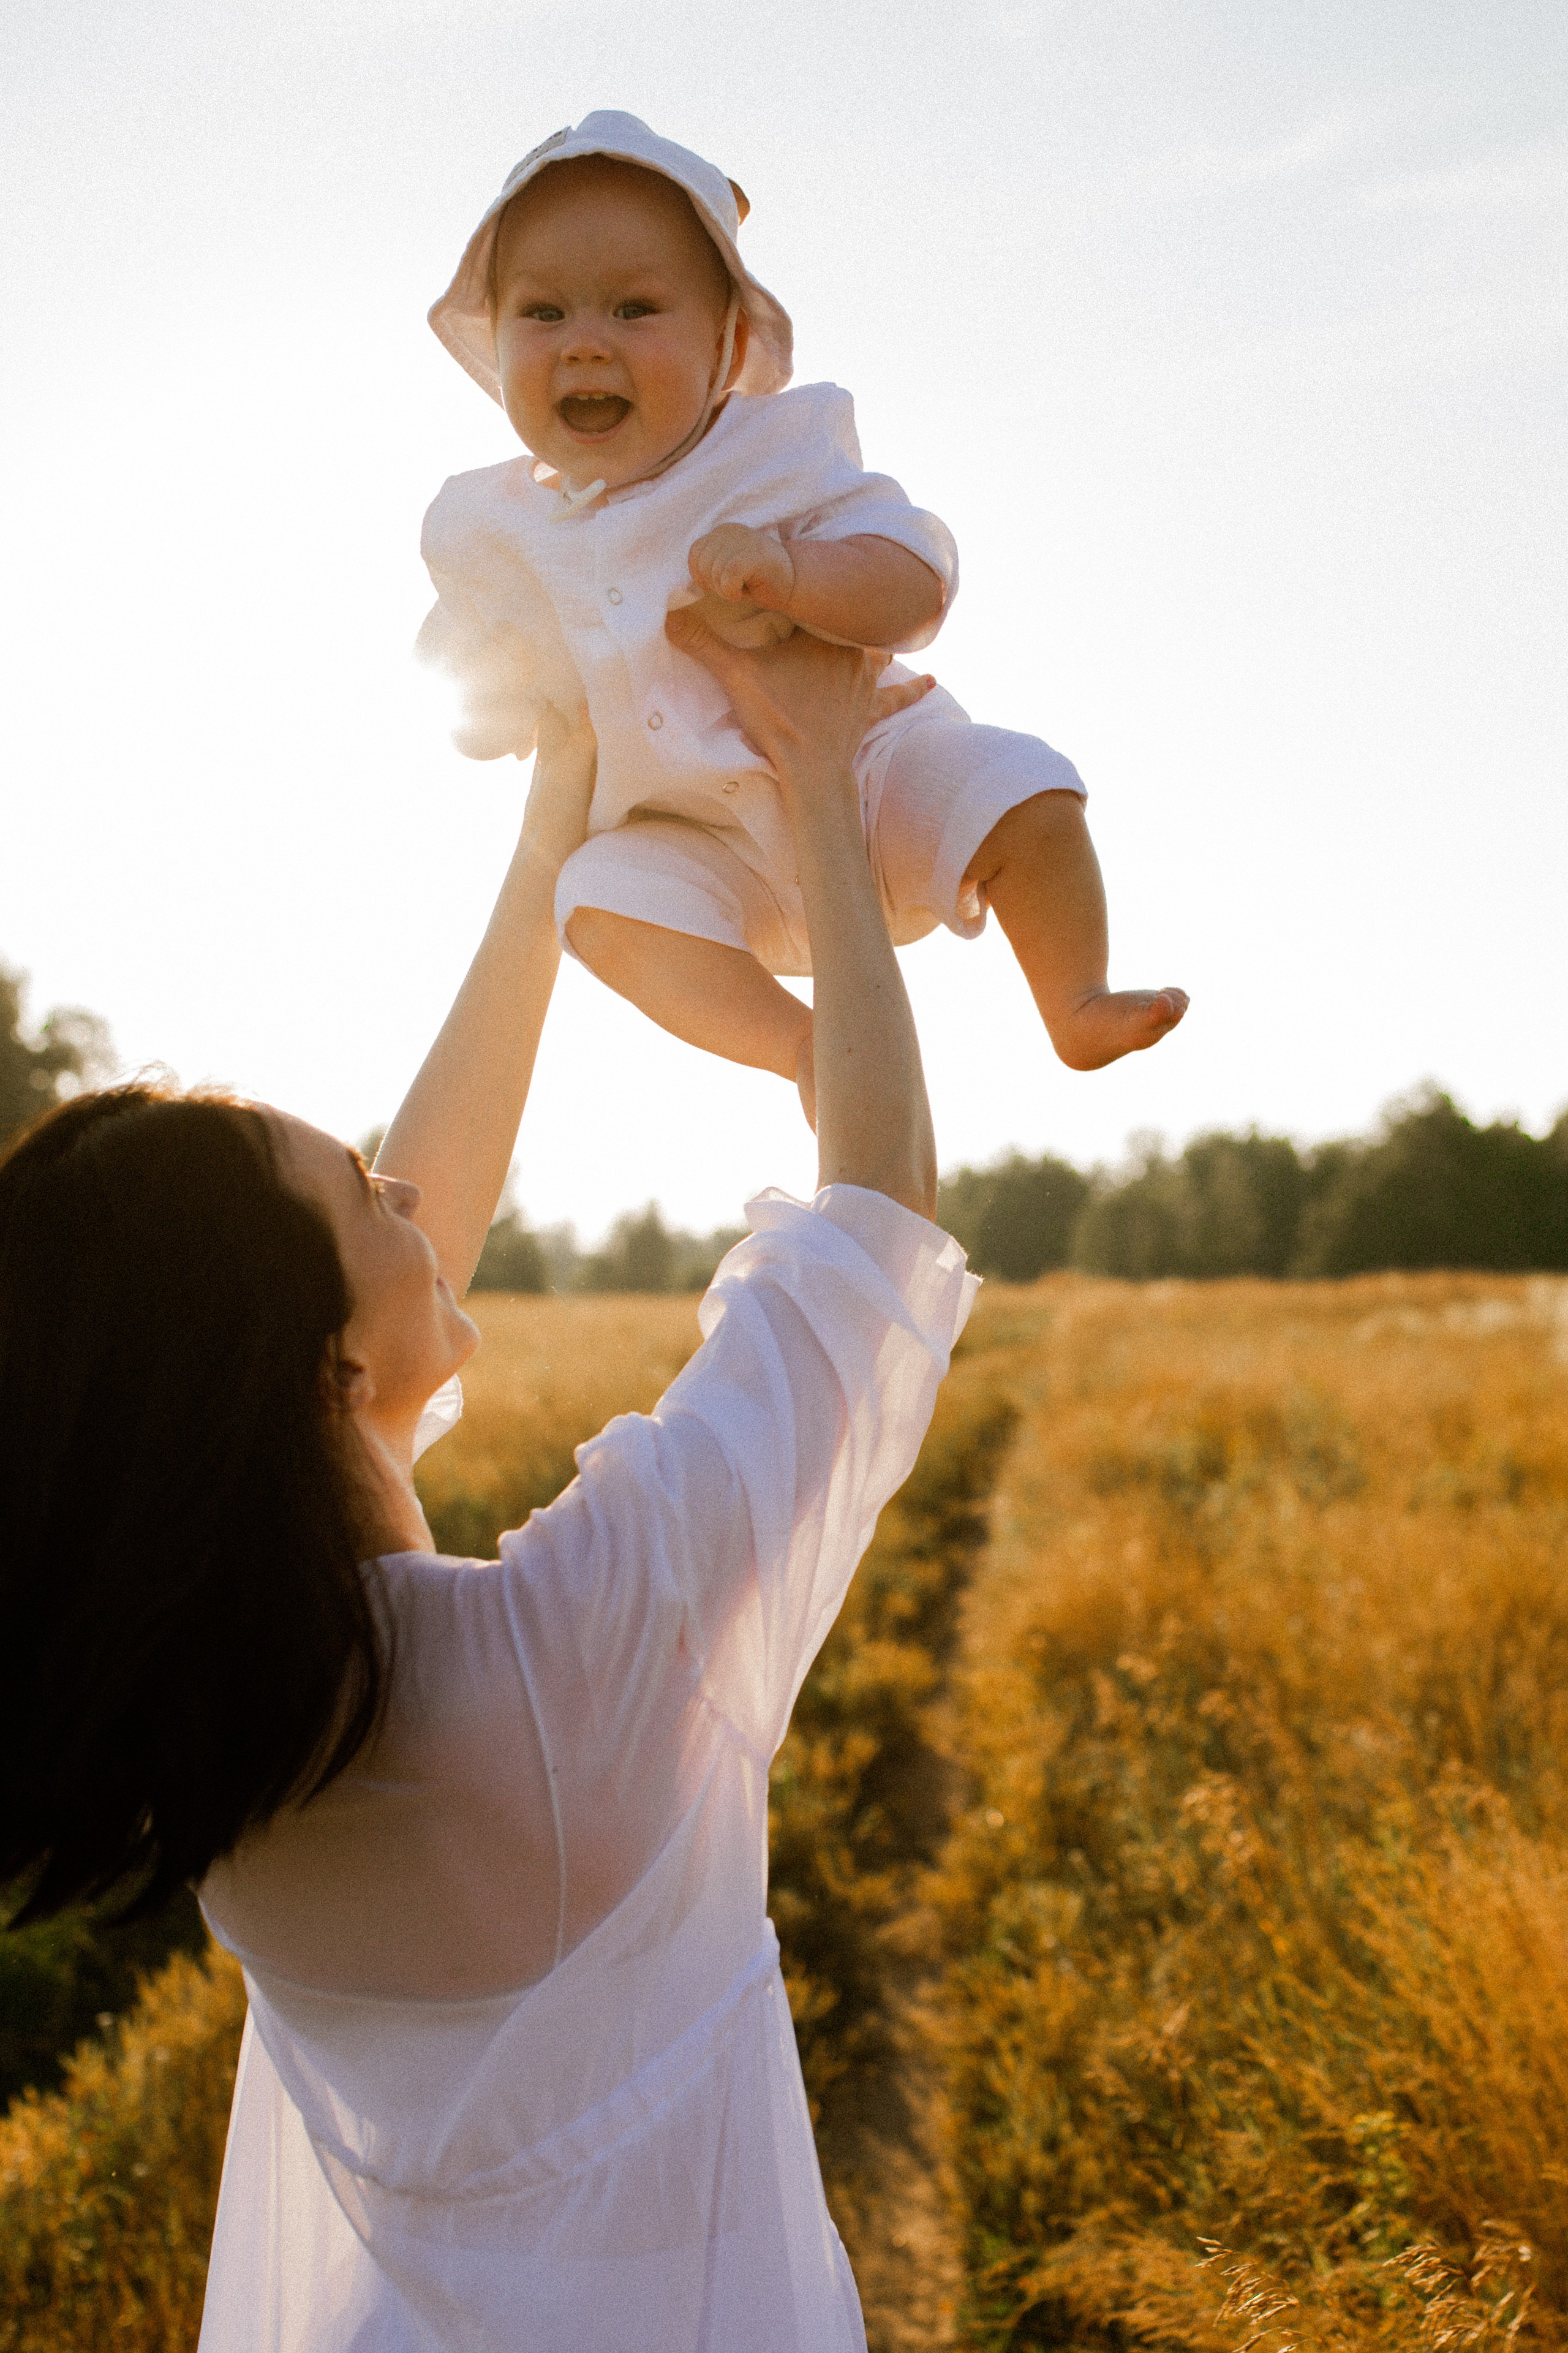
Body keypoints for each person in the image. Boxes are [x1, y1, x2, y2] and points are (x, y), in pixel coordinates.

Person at [0, 619, 979, 2352]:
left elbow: (377, 1275)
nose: (410, 1194)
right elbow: (875, 1225)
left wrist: (551, 842)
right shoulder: (569, 1651)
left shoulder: (223, 1729)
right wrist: (823, 781)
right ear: (324, 1368)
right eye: (366, 1195)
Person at [420, 110, 1188, 1120]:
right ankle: (805, 1048)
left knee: (1021, 786)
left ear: (729, 341)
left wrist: (793, 570)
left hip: (873, 785)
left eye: (637, 309)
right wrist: (478, 684)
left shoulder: (774, 456)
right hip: (693, 849)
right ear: (494, 337)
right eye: (545, 313)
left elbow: (916, 582)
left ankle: (1073, 996)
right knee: (596, 900)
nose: (586, 346)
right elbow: (466, 699)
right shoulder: (491, 524)